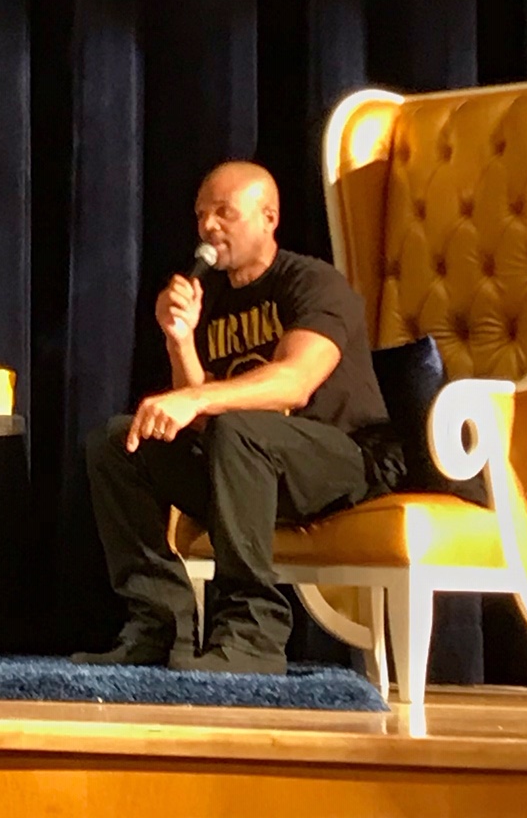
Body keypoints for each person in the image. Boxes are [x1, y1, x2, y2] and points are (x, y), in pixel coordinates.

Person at [77, 161, 390, 675]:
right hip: (244, 462)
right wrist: (179, 339)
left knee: (237, 424)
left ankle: (252, 633)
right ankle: (160, 623)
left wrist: (197, 403)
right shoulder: (212, 298)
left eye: (224, 213)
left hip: (342, 461)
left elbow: (294, 382)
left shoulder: (312, 282)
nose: (208, 227)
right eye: (202, 216)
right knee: (120, 442)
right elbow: (200, 411)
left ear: (268, 217)